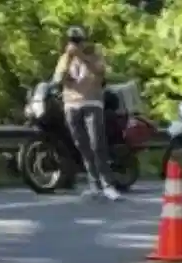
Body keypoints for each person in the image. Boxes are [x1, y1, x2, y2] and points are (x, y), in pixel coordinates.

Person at [52, 26, 121, 200]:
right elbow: (58, 79)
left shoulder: (94, 56)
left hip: (92, 103)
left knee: (97, 144)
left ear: (84, 41)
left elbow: (100, 71)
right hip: (71, 104)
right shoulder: (64, 58)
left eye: (78, 41)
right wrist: (68, 57)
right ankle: (93, 184)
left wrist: (82, 57)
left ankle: (108, 184)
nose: (75, 44)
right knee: (81, 145)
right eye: (72, 41)